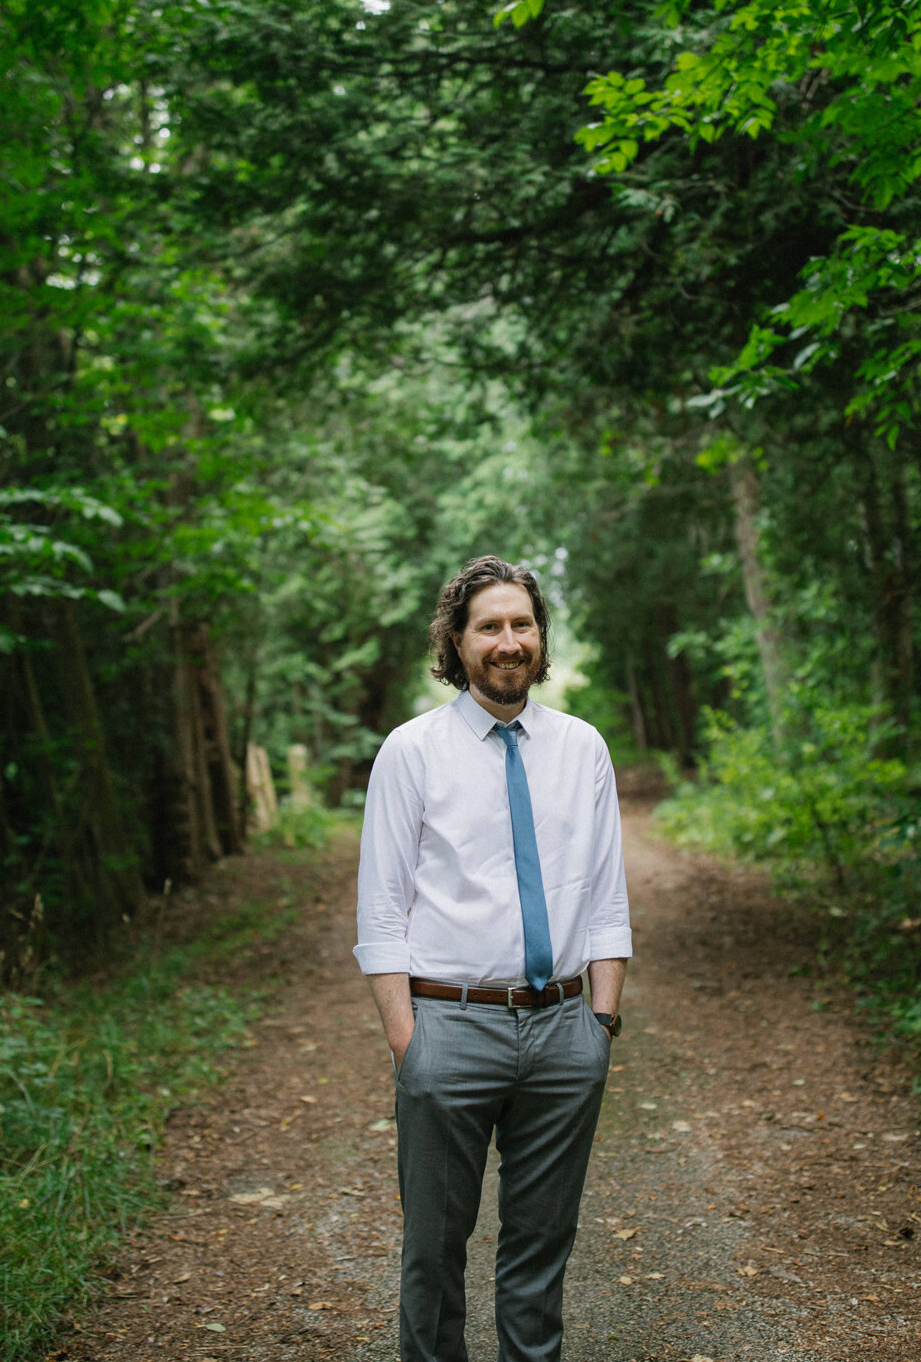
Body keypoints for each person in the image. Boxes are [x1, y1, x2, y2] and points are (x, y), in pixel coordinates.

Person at [355, 554, 631, 1362]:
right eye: (490, 627)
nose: (509, 642)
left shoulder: (583, 749)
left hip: (565, 1033)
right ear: (457, 640)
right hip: (449, 1027)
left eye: (522, 624)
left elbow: (608, 897)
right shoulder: (411, 752)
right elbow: (381, 910)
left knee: (541, 1249)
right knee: (434, 1253)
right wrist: (413, 1044)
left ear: (539, 637)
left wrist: (600, 1025)